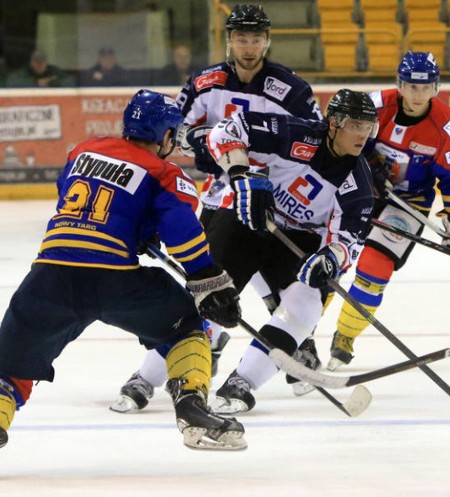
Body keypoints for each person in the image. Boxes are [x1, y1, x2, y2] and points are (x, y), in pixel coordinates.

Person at [0, 89, 246, 476]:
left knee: (10, 365)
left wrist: (134, 225)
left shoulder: (82, 150)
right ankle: (192, 407)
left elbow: (72, 194)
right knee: (186, 326)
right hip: (115, 278)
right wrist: (206, 277)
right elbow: (180, 228)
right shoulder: (164, 172)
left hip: (50, 272)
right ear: (166, 135)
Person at [110, 3, 324, 413]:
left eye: (256, 38)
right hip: (222, 200)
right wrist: (212, 146)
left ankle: (297, 348)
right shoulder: (205, 81)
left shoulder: (291, 89)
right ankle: (154, 372)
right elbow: (177, 132)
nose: (248, 45)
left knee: (292, 295)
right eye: (241, 37)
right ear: (229, 39)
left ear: (267, 40)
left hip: (276, 204)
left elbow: (313, 141)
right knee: (209, 290)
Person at [205, 88, 378, 414]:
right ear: (334, 122)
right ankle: (155, 373)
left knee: (308, 306)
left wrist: (330, 259)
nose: (363, 134)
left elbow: (348, 241)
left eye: (368, 127)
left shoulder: (359, 183)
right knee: (209, 292)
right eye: (356, 124)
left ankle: (242, 382)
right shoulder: (292, 132)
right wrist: (242, 176)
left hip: (297, 243)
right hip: (251, 220)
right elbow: (225, 131)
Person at [325, 51, 450, 371]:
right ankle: (302, 332)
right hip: (357, 189)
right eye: (411, 86)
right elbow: (336, 137)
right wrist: (364, 163)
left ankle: (345, 335)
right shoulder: (375, 105)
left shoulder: (445, 125)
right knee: (328, 259)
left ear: (436, 88)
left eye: (426, 87)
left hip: (410, 201)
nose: (418, 94)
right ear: (399, 84)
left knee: (375, 267)